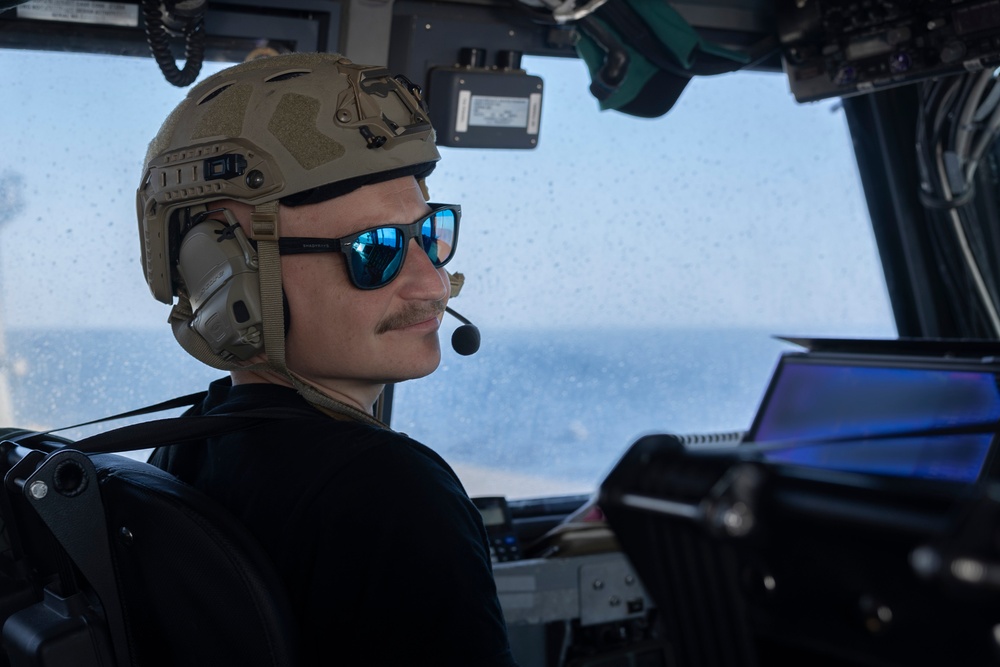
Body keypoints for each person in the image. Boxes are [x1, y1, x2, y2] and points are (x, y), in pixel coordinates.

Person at [135, 52, 517, 666]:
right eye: (375, 249)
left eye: (430, 234)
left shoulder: (189, 444)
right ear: (226, 277)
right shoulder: (393, 494)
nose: (433, 286)